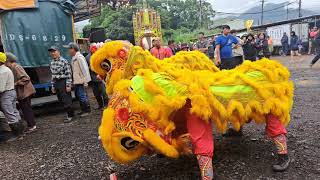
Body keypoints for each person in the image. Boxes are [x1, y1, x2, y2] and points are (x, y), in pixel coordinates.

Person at [5, 52, 36, 133]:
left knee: (26, 109)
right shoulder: (12, 67)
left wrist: (16, 83)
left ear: (8, 60)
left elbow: (26, 78)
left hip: (25, 92)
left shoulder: (16, 66)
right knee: (25, 109)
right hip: (22, 92)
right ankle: (31, 125)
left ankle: (32, 126)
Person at [0, 52, 25, 141]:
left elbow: (1, 88)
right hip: (12, 92)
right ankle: (21, 132)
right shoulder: (6, 69)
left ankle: (17, 134)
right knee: (14, 112)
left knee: (10, 114)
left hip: (6, 95)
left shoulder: (2, 71)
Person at [48, 46, 74, 123]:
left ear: (58, 52)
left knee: (66, 99)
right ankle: (69, 114)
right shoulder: (52, 62)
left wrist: (68, 85)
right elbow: (52, 75)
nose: (53, 53)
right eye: (51, 52)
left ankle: (70, 115)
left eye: (54, 51)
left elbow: (69, 74)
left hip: (63, 81)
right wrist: (52, 86)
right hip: (56, 82)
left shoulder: (64, 61)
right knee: (61, 99)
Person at [65, 42, 92, 116]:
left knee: (82, 96)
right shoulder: (74, 57)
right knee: (79, 95)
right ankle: (83, 110)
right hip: (77, 81)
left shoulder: (79, 57)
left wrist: (85, 81)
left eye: (69, 49)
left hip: (81, 80)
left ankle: (87, 110)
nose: (68, 51)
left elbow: (85, 69)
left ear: (73, 49)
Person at [86, 43, 108, 109]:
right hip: (93, 78)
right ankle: (100, 105)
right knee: (96, 94)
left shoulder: (100, 55)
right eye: (91, 47)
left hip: (101, 77)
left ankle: (106, 105)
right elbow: (86, 67)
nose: (93, 49)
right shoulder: (87, 57)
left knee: (104, 93)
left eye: (94, 47)